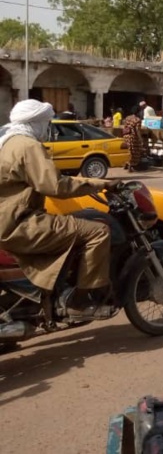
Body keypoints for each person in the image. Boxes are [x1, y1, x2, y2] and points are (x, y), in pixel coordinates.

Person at [0, 100, 116, 318]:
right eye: (46, 123)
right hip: (18, 224)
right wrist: (98, 184)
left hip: (9, 219)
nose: (48, 128)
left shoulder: (7, 141)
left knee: (70, 224)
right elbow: (55, 186)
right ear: (35, 123)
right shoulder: (28, 146)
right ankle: (80, 302)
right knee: (98, 231)